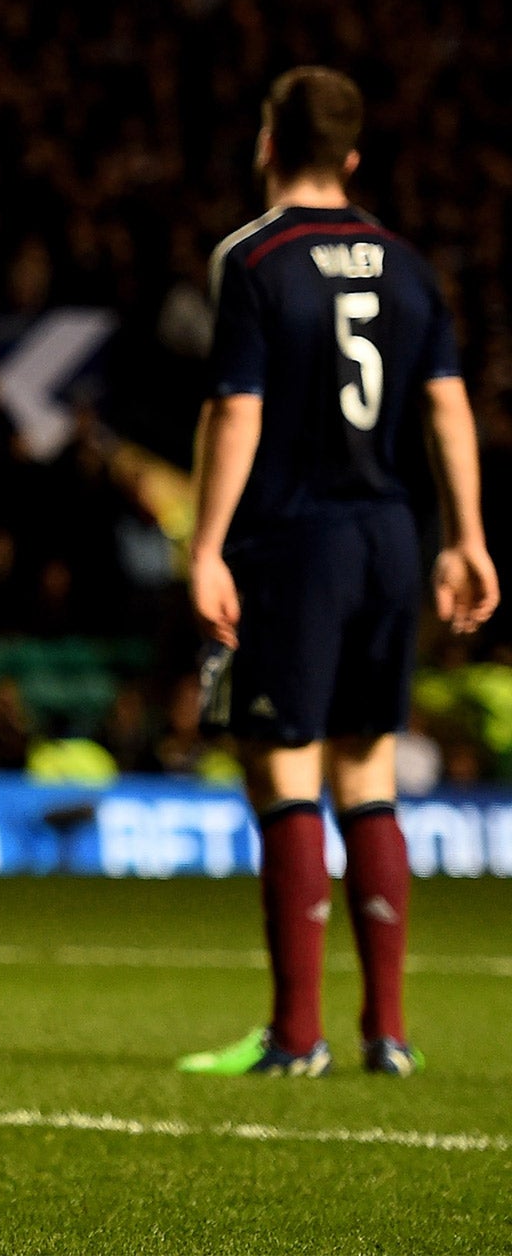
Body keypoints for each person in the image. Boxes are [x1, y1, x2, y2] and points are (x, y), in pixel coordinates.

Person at [178, 68, 498, 1078]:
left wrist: (202, 546)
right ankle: (387, 1033)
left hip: (294, 541)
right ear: (351, 156)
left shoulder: (252, 255)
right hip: (390, 539)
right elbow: (446, 405)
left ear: (266, 142)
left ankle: (294, 1036)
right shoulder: (406, 265)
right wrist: (467, 537)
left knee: (280, 768)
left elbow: (237, 408)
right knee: (365, 773)